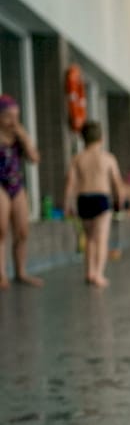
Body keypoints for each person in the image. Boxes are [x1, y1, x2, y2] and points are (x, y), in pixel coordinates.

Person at [64, 122, 126, 287]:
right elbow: (117, 182)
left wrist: (67, 203)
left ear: (83, 139)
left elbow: (70, 182)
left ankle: (89, 272)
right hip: (101, 198)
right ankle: (99, 274)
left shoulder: (78, 158)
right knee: (101, 238)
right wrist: (120, 200)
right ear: (102, 138)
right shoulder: (107, 158)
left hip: (83, 199)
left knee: (89, 238)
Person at [0, 94, 44, 288]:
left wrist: (25, 137)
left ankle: (21, 272)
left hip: (17, 185)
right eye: (8, 116)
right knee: (0, 231)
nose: (13, 121)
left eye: (16, 116)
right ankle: (1, 275)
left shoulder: (19, 137)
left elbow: (34, 159)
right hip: (0, 185)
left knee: (23, 231)